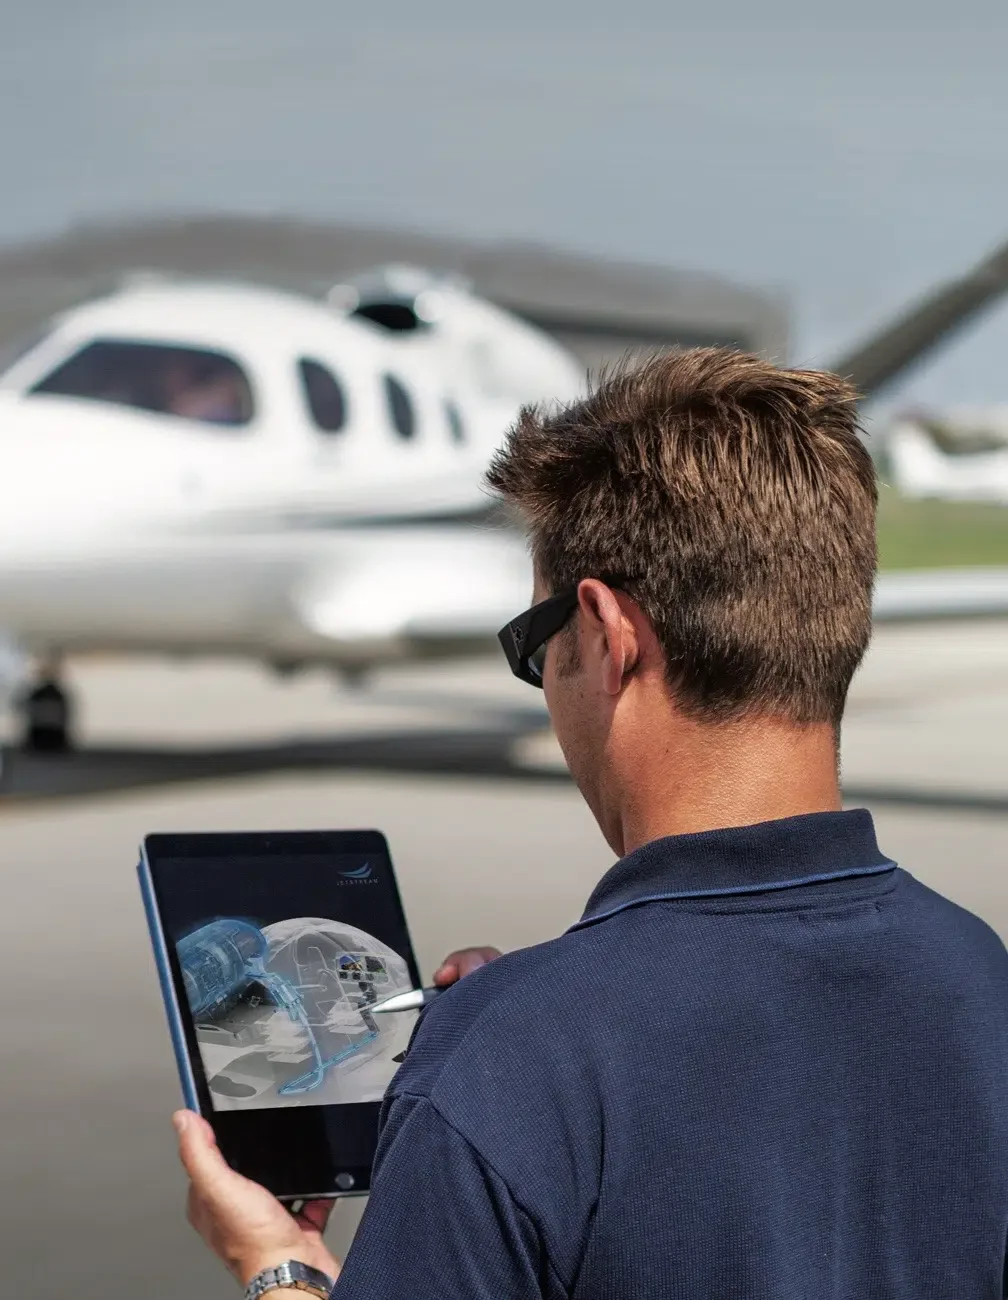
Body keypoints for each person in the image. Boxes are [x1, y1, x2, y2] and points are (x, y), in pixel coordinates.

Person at [174, 349, 1008, 1299]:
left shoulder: (508, 1065)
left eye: (535, 647)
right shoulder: (979, 972)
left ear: (609, 639)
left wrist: (277, 1269)